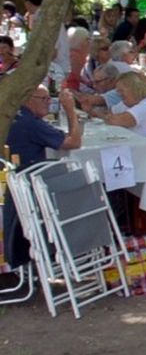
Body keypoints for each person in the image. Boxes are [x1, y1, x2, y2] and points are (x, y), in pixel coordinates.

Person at [3, 87, 84, 272]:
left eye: (50, 98)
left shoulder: (20, 117)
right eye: (44, 98)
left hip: (17, 183)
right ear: (27, 99)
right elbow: (74, 142)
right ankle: (76, 244)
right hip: (30, 188)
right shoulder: (29, 123)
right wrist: (70, 110)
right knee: (79, 181)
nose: (49, 102)